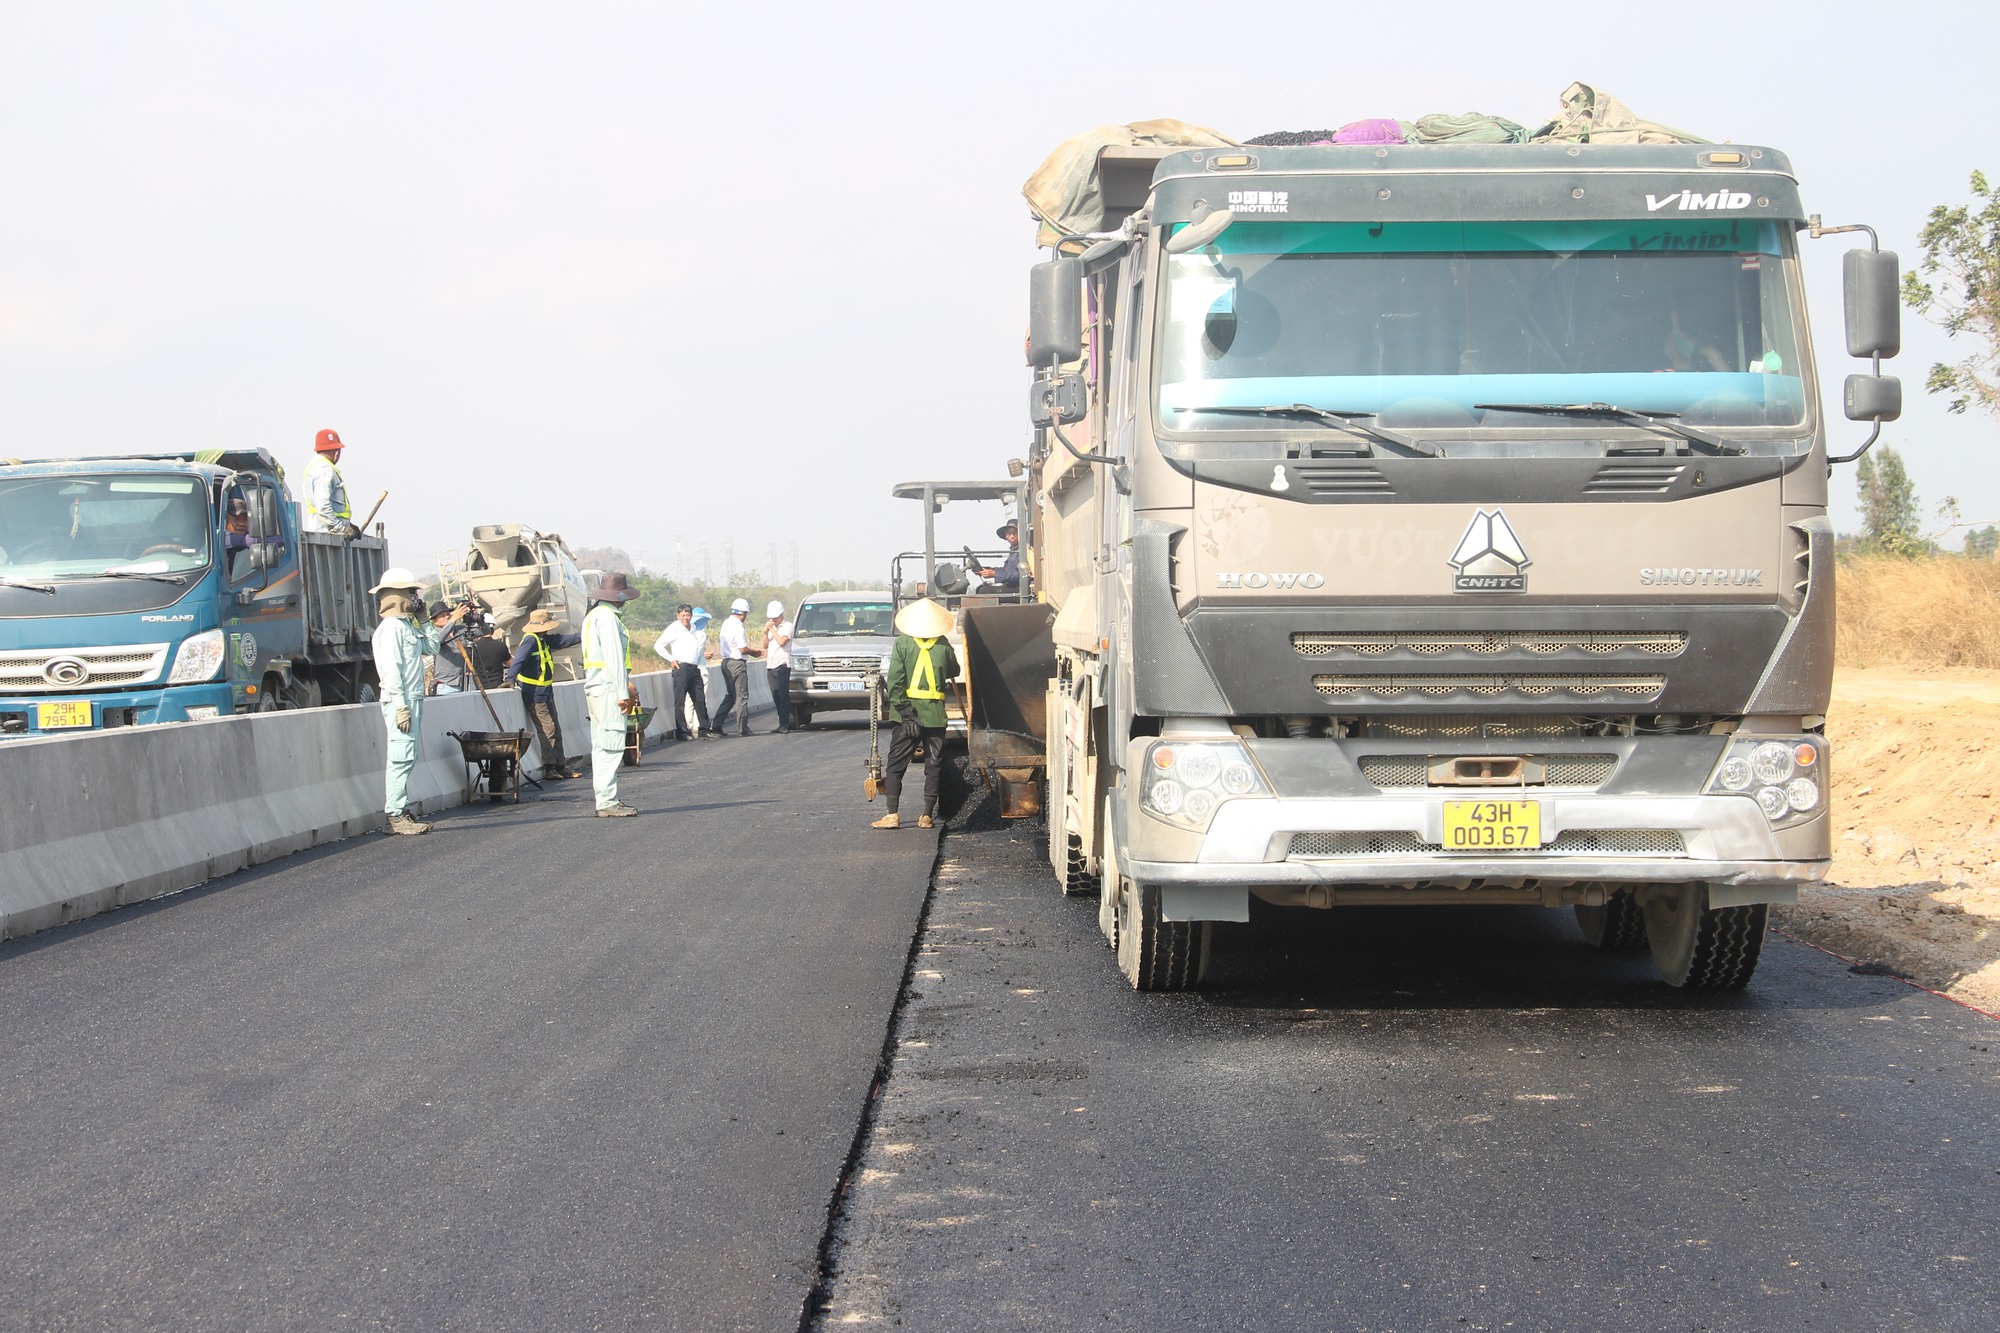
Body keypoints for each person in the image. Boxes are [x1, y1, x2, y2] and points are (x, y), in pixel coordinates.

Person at [370, 566, 467, 835]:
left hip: (413, 699)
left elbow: (431, 647)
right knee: (400, 756)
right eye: (411, 593)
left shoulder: (406, 626)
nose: (416, 598)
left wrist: (424, 621)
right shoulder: (390, 629)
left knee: (408, 755)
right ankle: (395, 814)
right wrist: (400, 706)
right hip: (400, 701)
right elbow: (390, 671)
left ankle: (400, 808)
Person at [872, 597, 959, 831]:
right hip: (935, 716)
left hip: (907, 716)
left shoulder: (902, 643)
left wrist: (906, 712)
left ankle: (892, 815)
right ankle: (927, 816)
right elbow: (955, 670)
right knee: (933, 764)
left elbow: (895, 682)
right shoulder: (943, 644)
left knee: (896, 765)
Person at [583, 571, 640, 817]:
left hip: (596, 688)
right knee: (611, 746)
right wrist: (622, 691)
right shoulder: (608, 618)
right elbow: (614, 657)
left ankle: (605, 798)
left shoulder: (593, 615)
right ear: (619, 596)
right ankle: (607, 801)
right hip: (608, 688)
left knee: (600, 745)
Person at [509, 607, 582, 780]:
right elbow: (519, 660)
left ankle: (560, 766)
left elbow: (566, 640)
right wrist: (510, 677)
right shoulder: (530, 640)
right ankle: (549, 768)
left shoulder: (543, 640)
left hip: (546, 691)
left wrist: (585, 633)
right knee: (547, 729)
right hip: (534, 693)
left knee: (555, 728)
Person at [654, 603, 714, 740]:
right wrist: (670, 659)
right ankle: (682, 731)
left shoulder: (693, 629)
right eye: (683, 616)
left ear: (691, 616)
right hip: (681, 668)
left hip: (694, 667)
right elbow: (658, 645)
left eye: (687, 615)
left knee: (699, 699)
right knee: (680, 701)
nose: (685, 618)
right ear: (678, 616)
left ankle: (704, 729)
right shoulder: (674, 629)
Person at [712, 597, 763, 735]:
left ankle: (716, 725)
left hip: (726, 663)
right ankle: (743, 728)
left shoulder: (726, 623)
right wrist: (755, 652)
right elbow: (742, 649)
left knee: (731, 696)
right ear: (743, 613)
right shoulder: (738, 627)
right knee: (741, 696)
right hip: (737, 663)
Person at [303, 429, 360, 537]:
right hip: (329, 535)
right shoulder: (325, 469)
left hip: (321, 532)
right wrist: (341, 528)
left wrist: (348, 525)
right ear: (336, 452)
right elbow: (323, 505)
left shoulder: (313, 466)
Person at [428, 601, 479, 694]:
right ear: (434, 621)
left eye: (448, 614)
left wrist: (477, 618)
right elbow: (437, 641)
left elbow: (484, 632)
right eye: (442, 616)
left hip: (465, 682)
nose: (447, 617)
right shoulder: (433, 634)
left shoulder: (459, 629)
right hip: (446, 684)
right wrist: (453, 620)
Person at [763, 599, 794, 733]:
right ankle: (780, 721)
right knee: (775, 695)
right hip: (771, 664)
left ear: (781, 614)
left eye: (775, 617)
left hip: (782, 664)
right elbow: (765, 645)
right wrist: (765, 632)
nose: (772, 619)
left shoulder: (788, 626)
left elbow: (782, 641)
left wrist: (771, 629)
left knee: (783, 695)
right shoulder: (771, 628)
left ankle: (784, 724)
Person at [976, 519, 1022, 592]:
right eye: (1009, 533)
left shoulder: (1023, 551)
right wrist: (989, 570)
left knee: (984, 590)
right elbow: (1006, 571)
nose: (1012, 536)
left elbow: (1019, 575)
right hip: (1011, 586)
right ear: (1006, 535)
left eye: (1015, 533)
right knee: (981, 588)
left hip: (1018, 589)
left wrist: (994, 574)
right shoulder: (1014, 551)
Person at [470, 620, 510, 691]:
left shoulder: (473, 648)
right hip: (498, 687)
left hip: (479, 689)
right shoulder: (500, 645)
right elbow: (511, 663)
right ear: (492, 630)